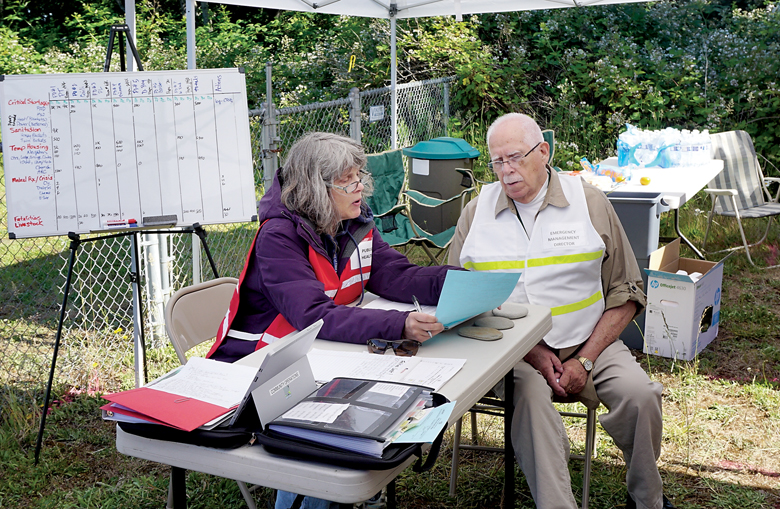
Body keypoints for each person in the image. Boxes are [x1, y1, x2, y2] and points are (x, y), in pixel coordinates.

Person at [207, 132, 455, 509]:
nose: (361, 189)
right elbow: (313, 317)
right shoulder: (278, 237)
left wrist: (461, 283)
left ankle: (343, 494)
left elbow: (397, 276)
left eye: (360, 178)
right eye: (349, 181)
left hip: (315, 358)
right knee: (332, 429)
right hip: (255, 372)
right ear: (316, 188)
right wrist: (398, 325)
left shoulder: (349, 224)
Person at [448, 113, 675, 509]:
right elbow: (455, 295)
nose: (506, 171)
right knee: (532, 400)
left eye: (515, 158)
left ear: (544, 153)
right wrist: (530, 352)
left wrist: (585, 359)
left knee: (641, 396)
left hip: (591, 342)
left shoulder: (587, 201)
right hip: (511, 352)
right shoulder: (475, 211)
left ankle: (647, 499)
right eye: (497, 161)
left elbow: (627, 290)